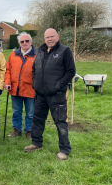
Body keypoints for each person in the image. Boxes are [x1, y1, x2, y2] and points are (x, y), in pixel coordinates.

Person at [24, 28, 75, 161]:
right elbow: (34, 69)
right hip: (40, 93)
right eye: (47, 37)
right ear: (44, 39)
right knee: (37, 119)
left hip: (56, 94)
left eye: (52, 36)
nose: (50, 39)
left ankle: (64, 149)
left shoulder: (64, 51)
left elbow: (70, 71)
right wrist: (35, 84)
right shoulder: (40, 51)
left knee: (60, 122)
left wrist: (58, 86)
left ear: (57, 36)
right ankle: (36, 143)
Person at [4, 32, 37, 140]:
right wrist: (7, 82)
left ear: (31, 42)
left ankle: (29, 131)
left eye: (27, 41)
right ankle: (16, 130)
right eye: (22, 41)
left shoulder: (37, 55)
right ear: (19, 43)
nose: (24, 43)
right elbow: (7, 70)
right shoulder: (13, 55)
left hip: (30, 89)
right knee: (16, 111)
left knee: (30, 113)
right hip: (15, 89)